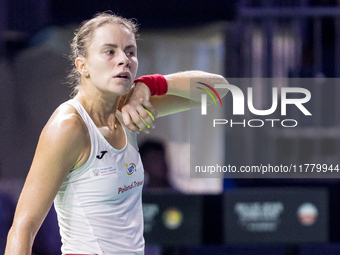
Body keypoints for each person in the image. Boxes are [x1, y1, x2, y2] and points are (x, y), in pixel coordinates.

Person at [5, 12, 229, 255]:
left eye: (130, 52)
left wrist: (150, 84)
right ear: (83, 66)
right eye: (109, 51)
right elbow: (23, 226)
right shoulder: (69, 126)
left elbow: (219, 89)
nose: (124, 59)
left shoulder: (130, 107)